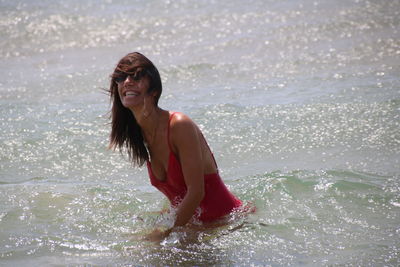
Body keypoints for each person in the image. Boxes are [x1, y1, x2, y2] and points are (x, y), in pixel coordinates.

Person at [108, 52, 243, 239]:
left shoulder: (179, 125)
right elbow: (178, 195)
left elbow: (196, 192)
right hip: (195, 226)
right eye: (121, 77)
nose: (128, 81)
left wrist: (166, 233)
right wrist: (159, 220)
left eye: (136, 76)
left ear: (154, 90)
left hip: (226, 226)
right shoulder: (139, 135)